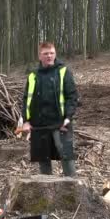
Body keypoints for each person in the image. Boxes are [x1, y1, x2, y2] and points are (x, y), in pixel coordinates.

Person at [20, 42, 79, 177]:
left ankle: (73, 190)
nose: (49, 56)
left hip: (60, 123)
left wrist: (68, 117)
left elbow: (72, 96)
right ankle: (47, 193)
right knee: (43, 160)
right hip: (38, 124)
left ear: (55, 54)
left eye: (52, 53)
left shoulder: (63, 71)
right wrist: (26, 121)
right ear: (39, 56)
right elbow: (26, 100)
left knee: (66, 156)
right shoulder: (33, 75)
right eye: (46, 53)